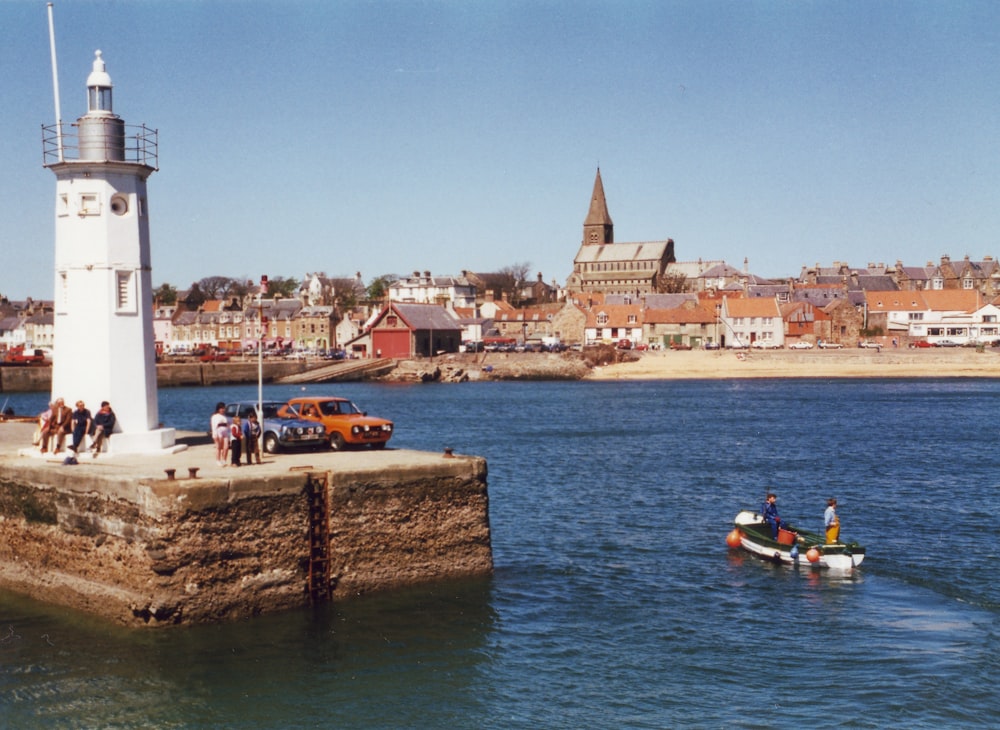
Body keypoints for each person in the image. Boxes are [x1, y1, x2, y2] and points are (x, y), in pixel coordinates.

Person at [210, 402, 230, 467]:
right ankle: (218, 460)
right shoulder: (215, 416)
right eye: (221, 408)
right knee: (218, 447)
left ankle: (224, 460)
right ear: (218, 409)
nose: (223, 410)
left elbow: (227, 424)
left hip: (225, 432)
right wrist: (215, 435)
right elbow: (214, 426)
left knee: (226, 447)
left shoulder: (224, 416)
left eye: (224, 408)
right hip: (218, 432)